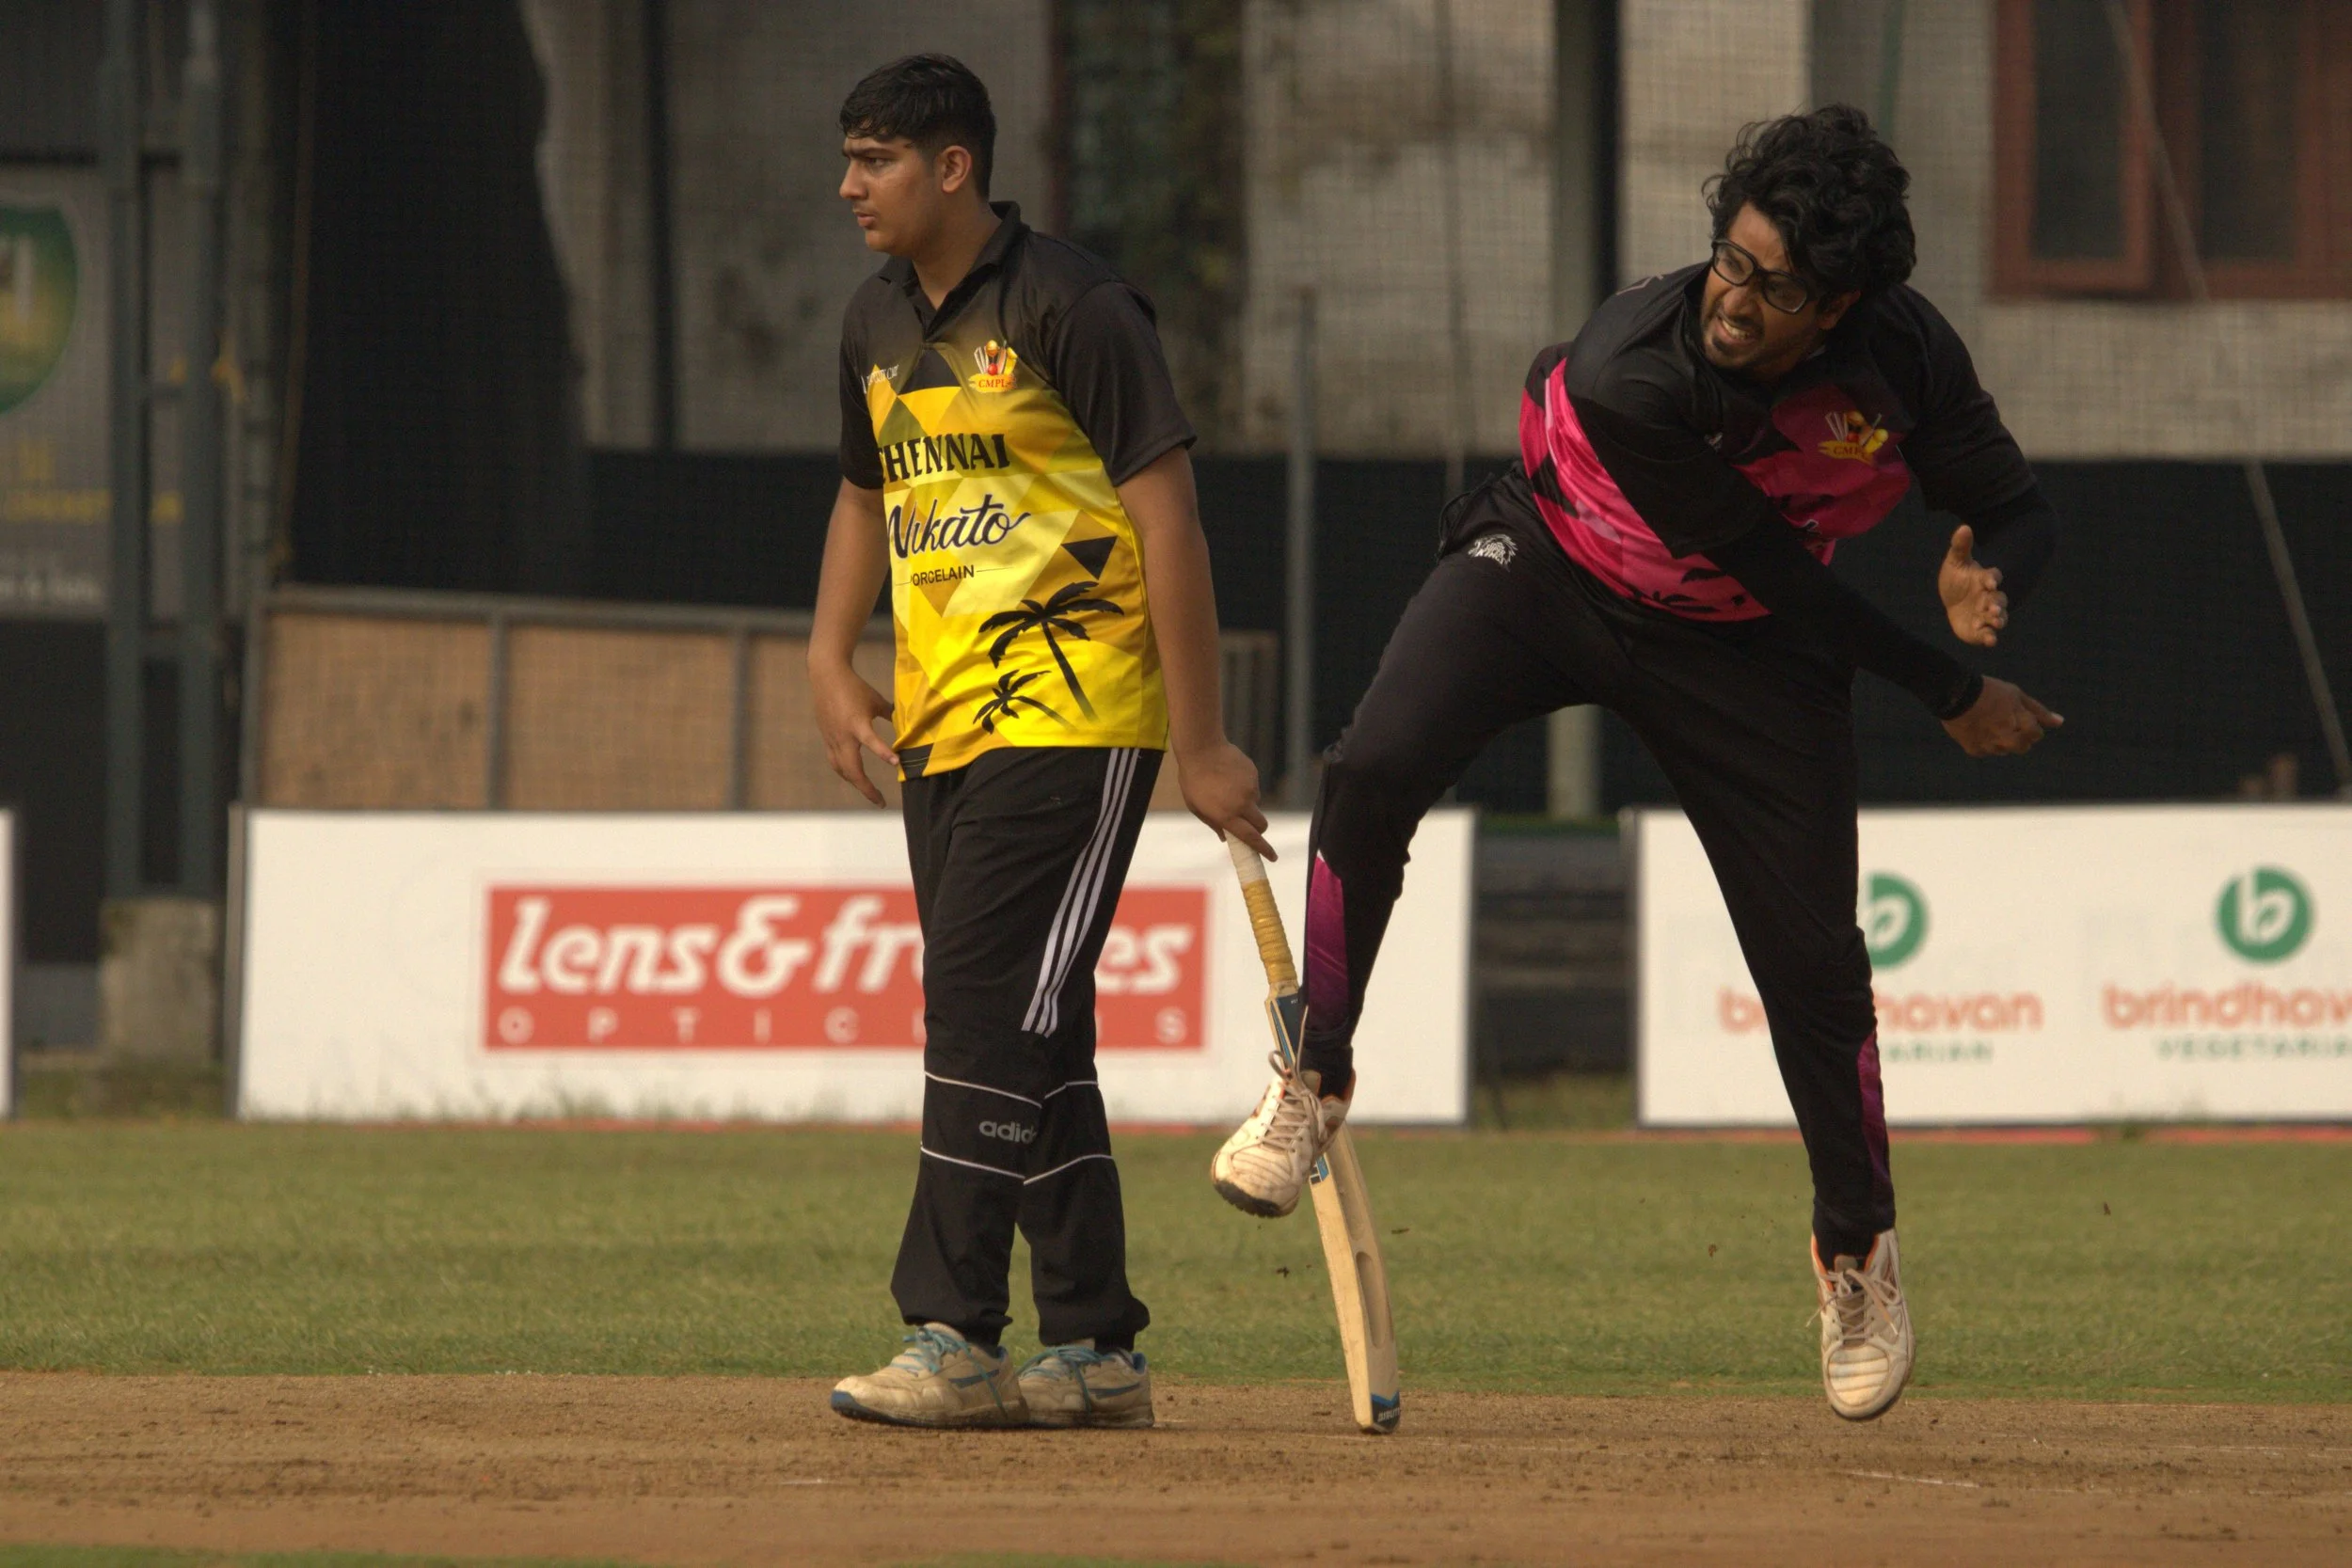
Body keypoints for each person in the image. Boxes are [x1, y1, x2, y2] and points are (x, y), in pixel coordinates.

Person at [1211, 106, 2061, 1421]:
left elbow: (2013, 507)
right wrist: (1951, 692)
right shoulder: (1634, 366)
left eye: (1777, 288)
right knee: (1372, 766)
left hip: (1741, 647)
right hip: (1554, 567)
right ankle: (1312, 1079)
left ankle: (1857, 1252)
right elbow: (1777, 566)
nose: (1736, 299)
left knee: (1813, 959)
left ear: (1840, 305)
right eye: (1731, 259)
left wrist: (1987, 575)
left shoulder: (1905, 358)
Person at [810, 54, 1268, 1429]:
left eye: (878, 160)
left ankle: (952, 1330)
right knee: (1034, 1021)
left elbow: (1170, 521)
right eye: (849, 159)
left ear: (954, 166)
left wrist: (1204, 745)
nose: (850, 186)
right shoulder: (872, 319)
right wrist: (828, 657)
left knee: (980, 1004)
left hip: (1079, 713)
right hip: (939, 725)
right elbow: (862, 495)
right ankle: (1096, 1346)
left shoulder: (1074, 304)